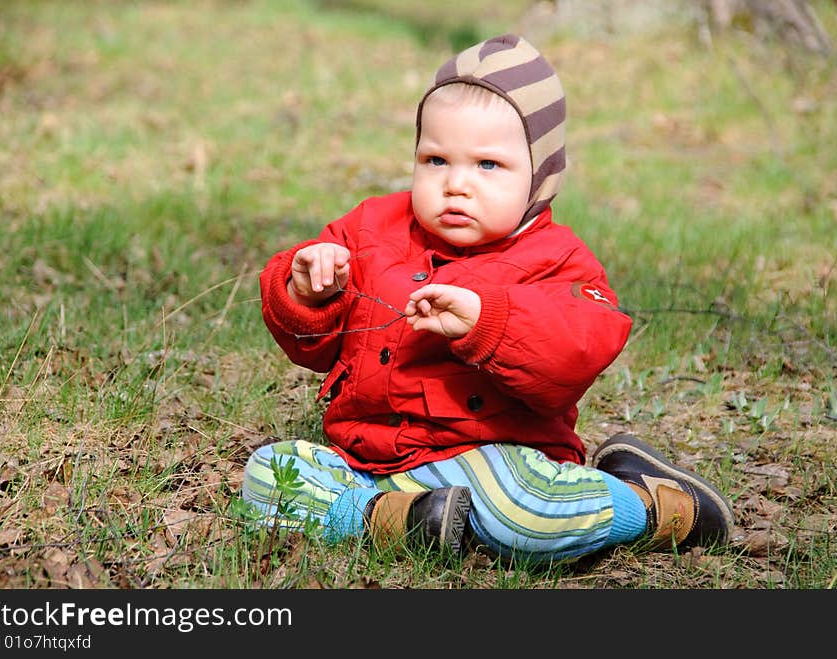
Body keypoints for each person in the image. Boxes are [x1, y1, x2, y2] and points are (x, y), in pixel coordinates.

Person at [242, 34, 734, 564]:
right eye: (435, 160)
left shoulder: (556, 259)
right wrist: (305, 290)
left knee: (521, 519)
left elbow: (578, 349)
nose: (456, 184)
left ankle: (651, 505)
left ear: (540, 177)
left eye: (488, 166)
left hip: (494, 460)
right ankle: (389, 519)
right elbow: (310, 347)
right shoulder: (370, 228)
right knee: (271, 474)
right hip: (367, 458)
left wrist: (489, 323)